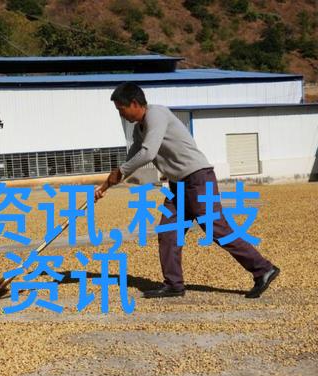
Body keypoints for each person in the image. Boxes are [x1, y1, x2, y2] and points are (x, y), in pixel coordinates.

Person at [94, 82, 279, 299]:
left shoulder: (157, 115)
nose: (121, 114)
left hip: (198, 178)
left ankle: (263, 269)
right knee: (168, 231)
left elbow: (147, 153)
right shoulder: (139, 129)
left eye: (121, 109)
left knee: (215, 228)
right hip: (178, 185)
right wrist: (104, 186)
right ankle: (173, 285)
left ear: (134, 103)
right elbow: (131, 159)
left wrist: (119, 172)